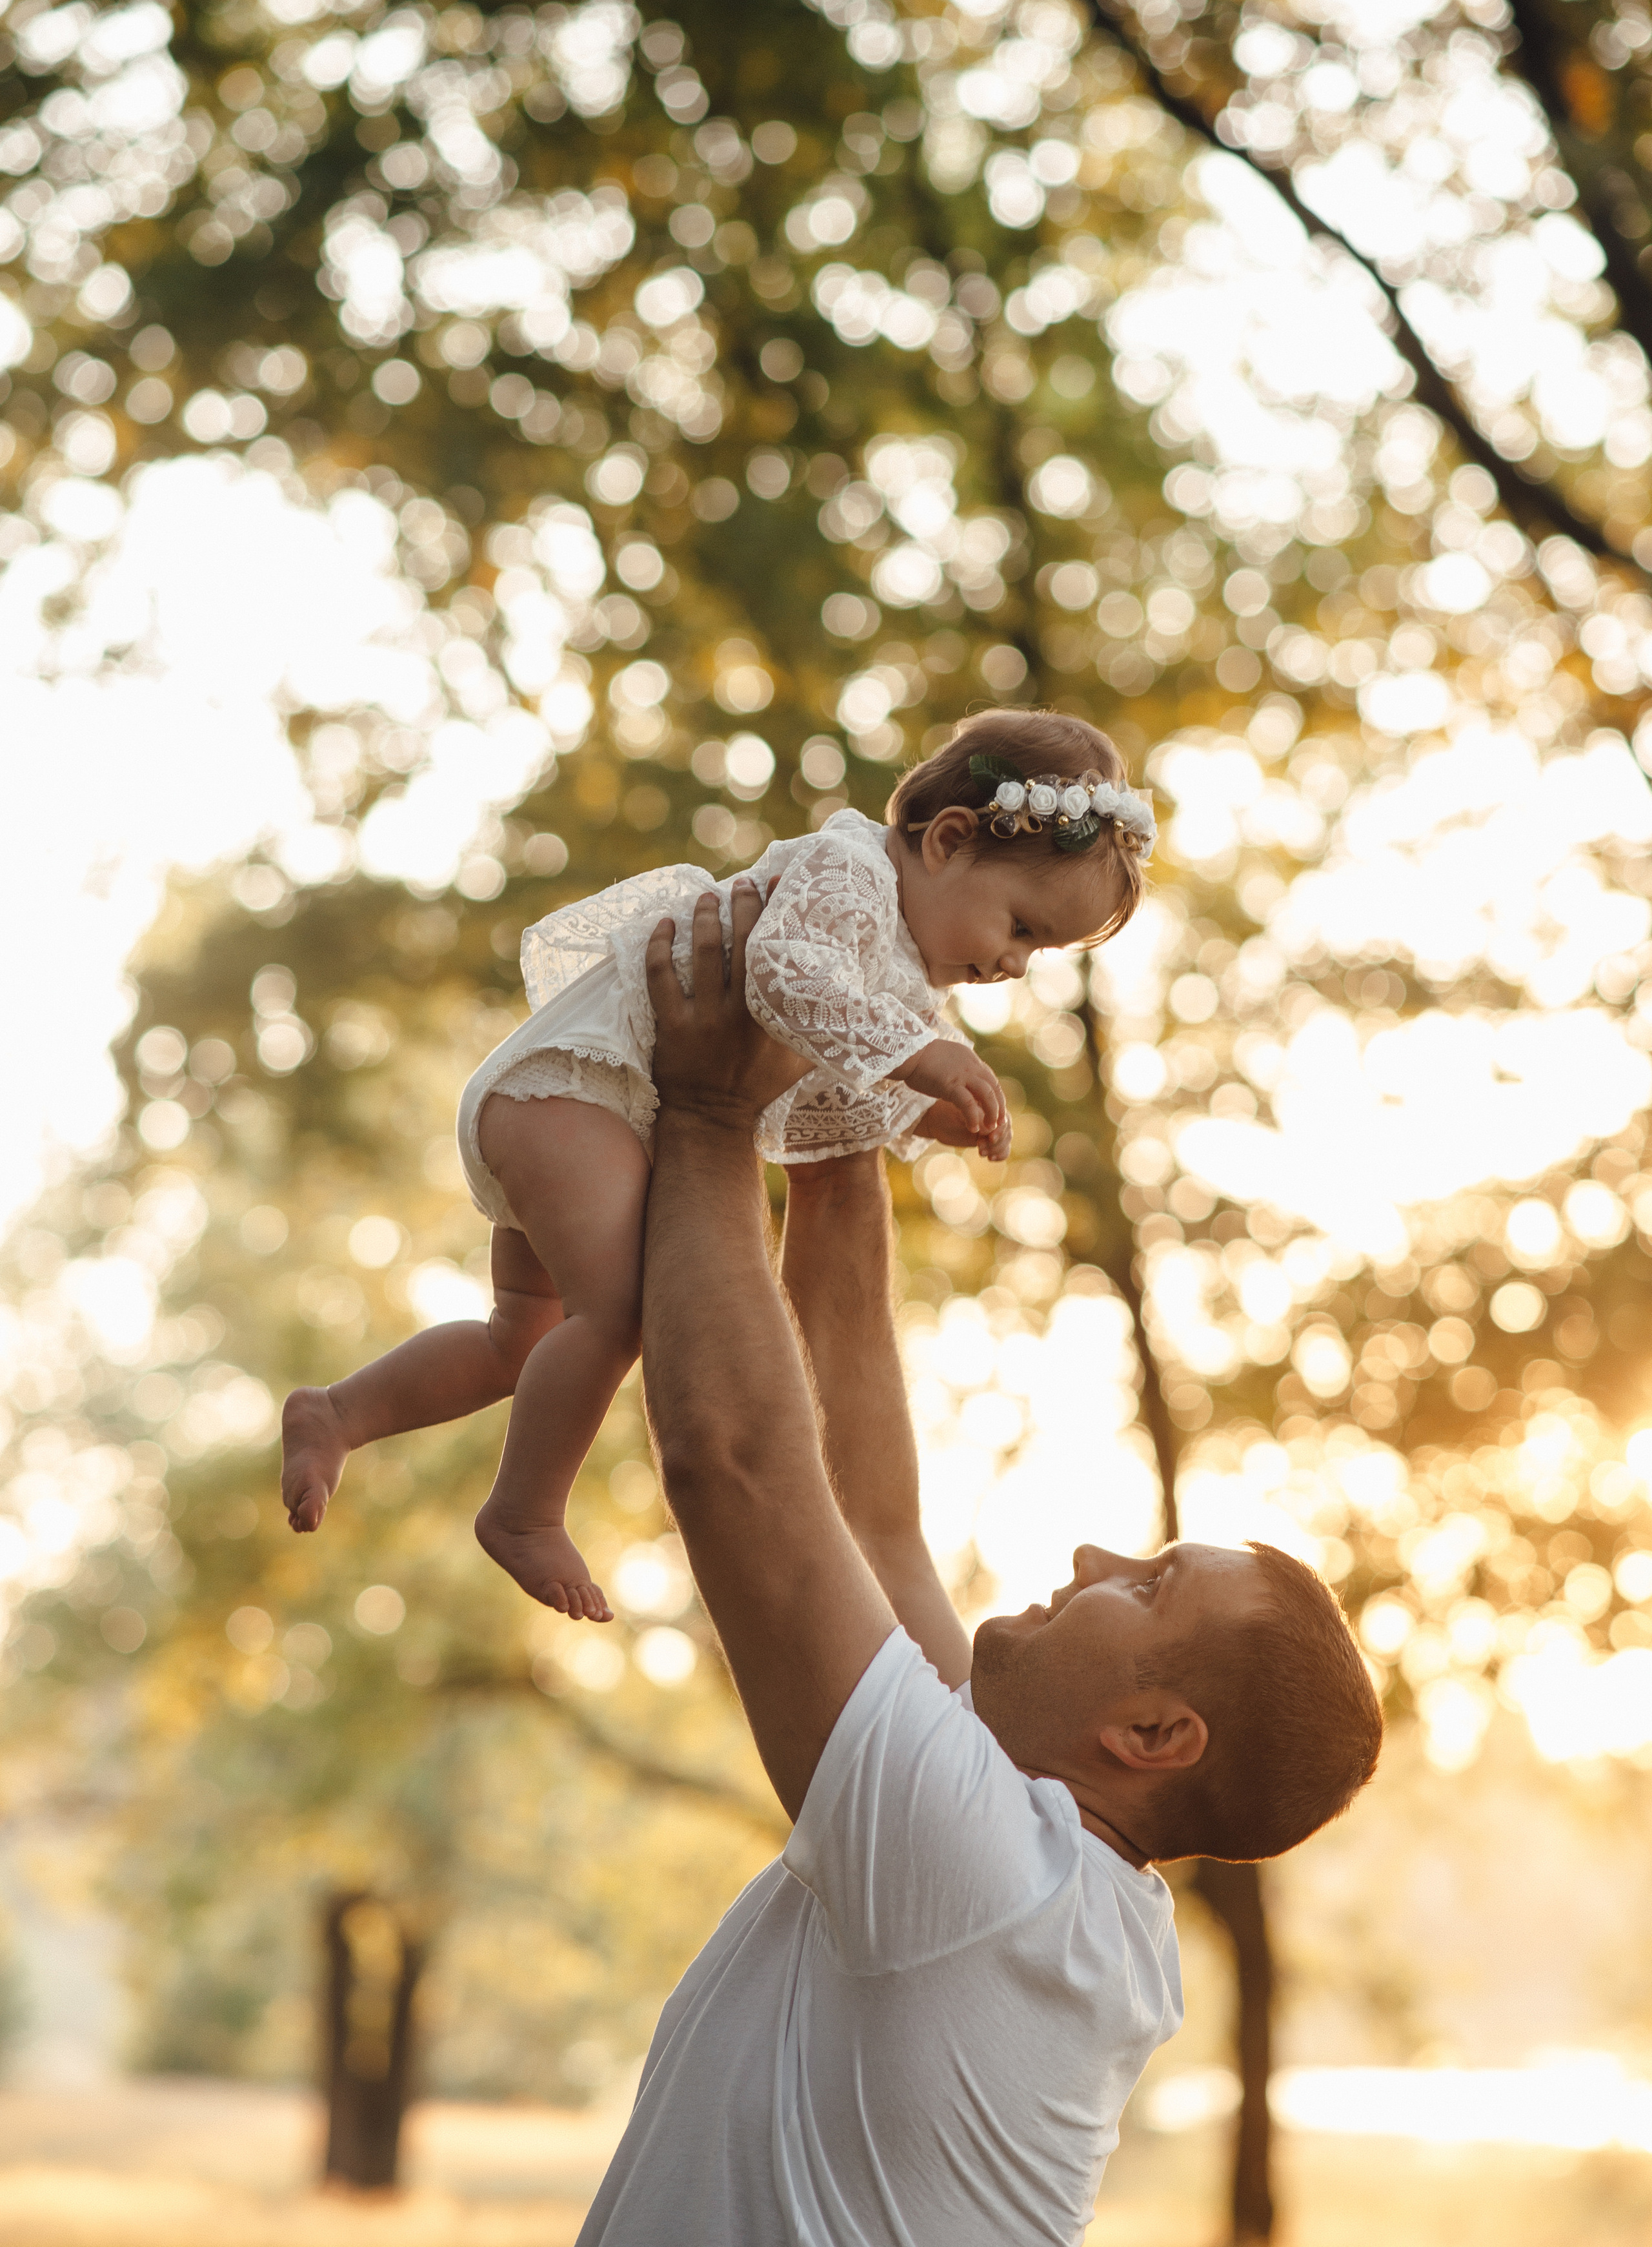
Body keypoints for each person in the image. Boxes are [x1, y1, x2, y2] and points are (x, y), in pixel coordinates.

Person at [573, 880, 1384, 2247]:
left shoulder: (986, 1879)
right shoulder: (1044, 1860)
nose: (1088, 1552)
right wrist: (839, 1128)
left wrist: (712, 1117)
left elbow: (736, 1466)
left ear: (1150, 1729)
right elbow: (872, 1518)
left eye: (1144, 1585)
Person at [279, 707, 1156, 1618]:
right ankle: (523, 1511)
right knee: (616, 1314)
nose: (1018, 964)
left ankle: (338, 1414)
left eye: (1040, 951)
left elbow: (818, 1079)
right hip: (579, 1091)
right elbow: (784, 978)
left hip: (581, 1113)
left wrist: (932, 1111)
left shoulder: (895, 962)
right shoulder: (849, 875)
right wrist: (922, 1055)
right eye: (1022, 927)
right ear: (947, 840)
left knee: (524, 1338)